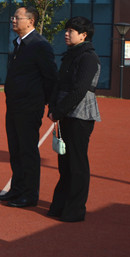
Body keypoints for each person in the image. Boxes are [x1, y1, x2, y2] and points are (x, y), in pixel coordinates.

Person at [0, 6, 58, 208]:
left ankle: (30, 194)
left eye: (17, 17)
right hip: (14, 105)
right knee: (15, 149)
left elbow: (50, 77)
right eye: (13, 17)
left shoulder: (39, 45)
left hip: (29, 106)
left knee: (27, 151)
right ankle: (17, 188)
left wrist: (43, 102)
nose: (13, 20)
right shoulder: (19, 43)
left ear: (31, 21)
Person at [46, 16, 101, 222]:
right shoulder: (69, 55)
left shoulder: (89, 57)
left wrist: (58, 111)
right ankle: (60, 206)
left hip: (81, 115)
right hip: (65, 113)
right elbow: (59, 84)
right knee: (64, 163)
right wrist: (53, 107)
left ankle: (75, 210)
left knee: (77, 164)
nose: (66, 34)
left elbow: (79, 90)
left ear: (83, 35)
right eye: (66, 30)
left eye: (71, 31)